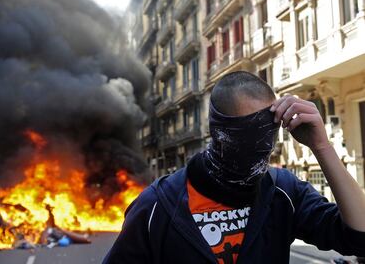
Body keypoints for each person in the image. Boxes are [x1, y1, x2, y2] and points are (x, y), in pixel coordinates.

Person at [103, 71, 365, 264]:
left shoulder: (283, 192)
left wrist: (321, 146)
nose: (261, 146)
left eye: (268, 132)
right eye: (247, 134)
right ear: (218, 132)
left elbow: (359, 237)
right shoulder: (157, 207)